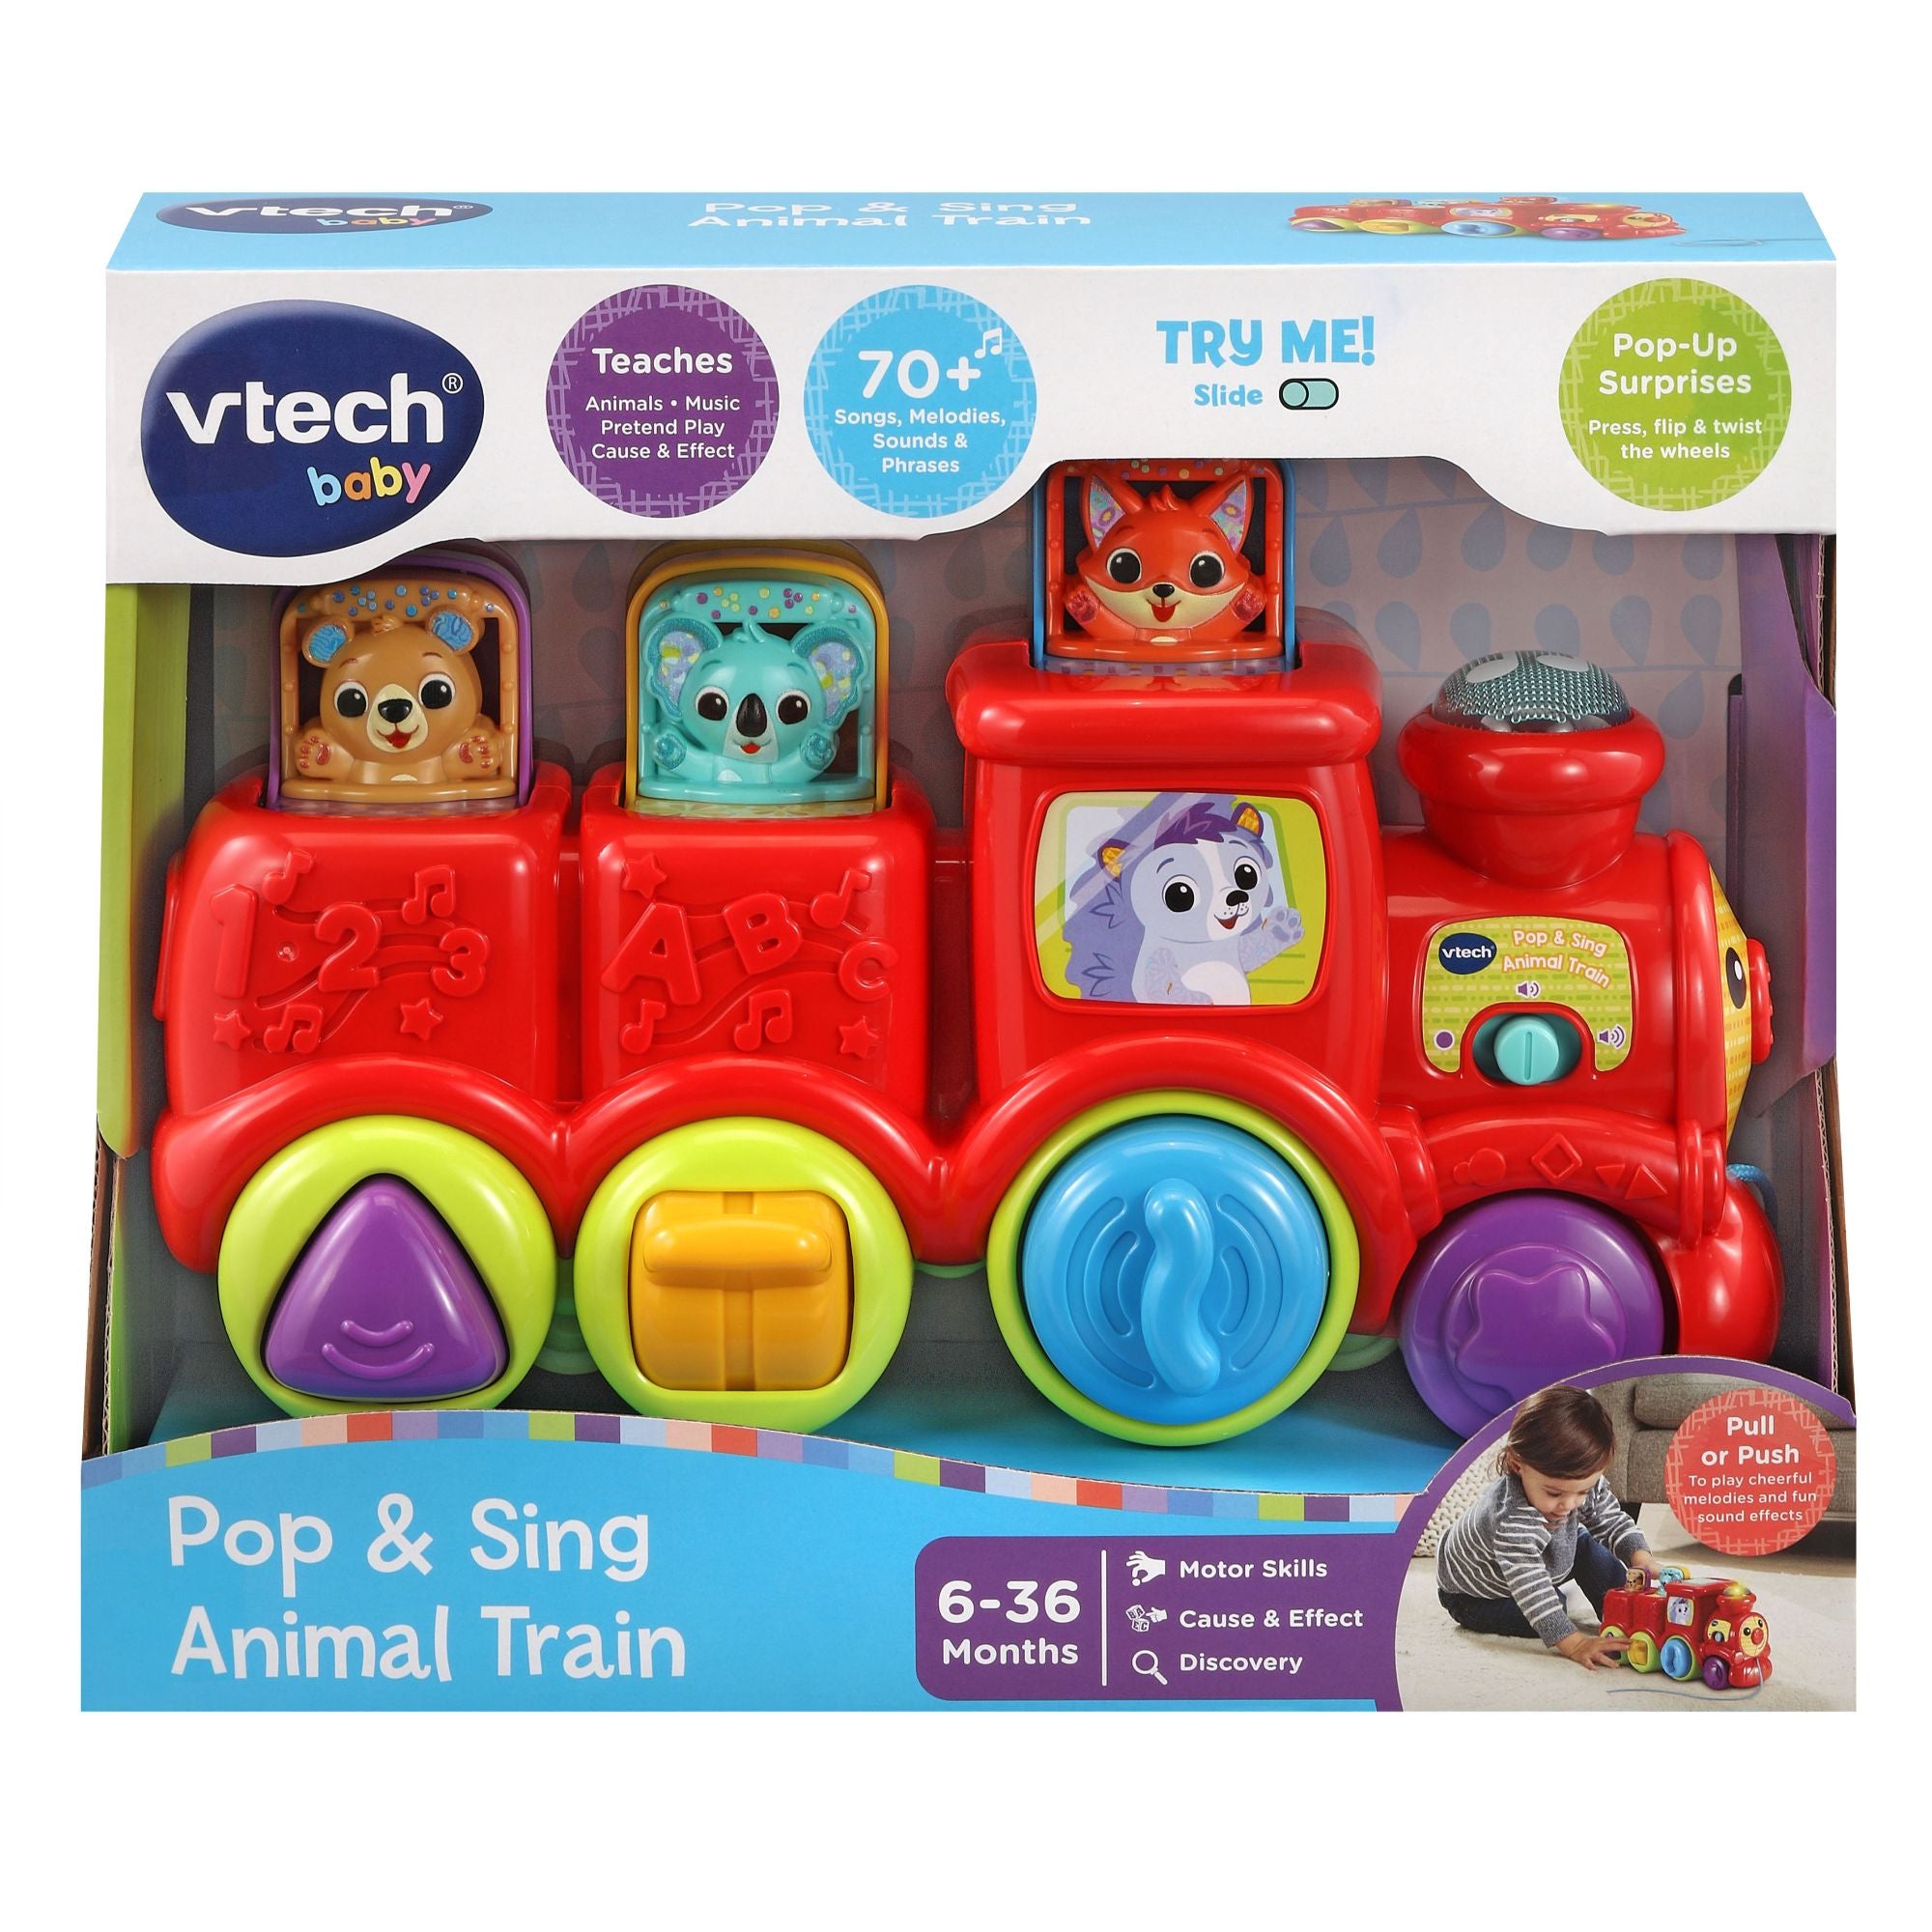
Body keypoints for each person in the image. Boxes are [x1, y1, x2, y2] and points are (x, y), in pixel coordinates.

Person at [1436, 1385, 1664, 1669]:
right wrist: (1575, 1644)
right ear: (1517, 1465)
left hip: (1541, 1558)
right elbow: (1530, 1586)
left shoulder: (1579, 1482)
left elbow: (1611, 1519)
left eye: (1583, 1491)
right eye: (1554, 1493)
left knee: (1587, 1545)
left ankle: (1622, 1608)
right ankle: (1563, 1606)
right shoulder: (1511, 1518)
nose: (1569, 1504)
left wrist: (1642, 1558)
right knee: (1553, 1607)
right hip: (1476, 1596)